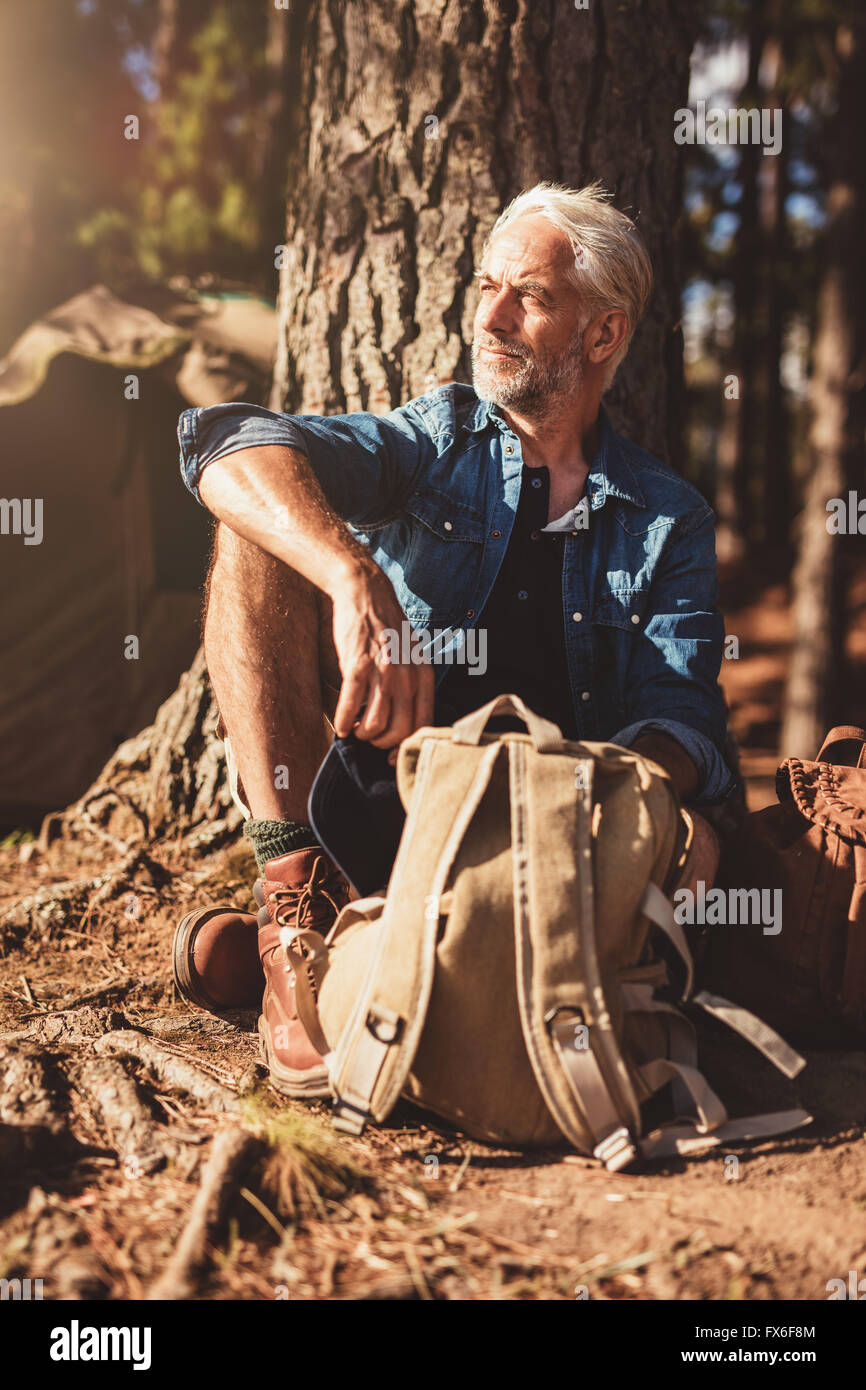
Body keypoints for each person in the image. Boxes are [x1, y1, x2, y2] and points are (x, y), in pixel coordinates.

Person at [172, 182, 739, 1098]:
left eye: (532, 297)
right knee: (258, 518)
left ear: (604, 335)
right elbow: (227, 440)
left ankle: (388, 956)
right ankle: (293, 910)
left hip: (534, 856)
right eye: (487, 286)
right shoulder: (436, 439)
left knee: (687, 842)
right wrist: (351, 575)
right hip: (375, 810)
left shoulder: (667, 518)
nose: (493, 316)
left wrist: (626, 797)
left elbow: (686, 720)